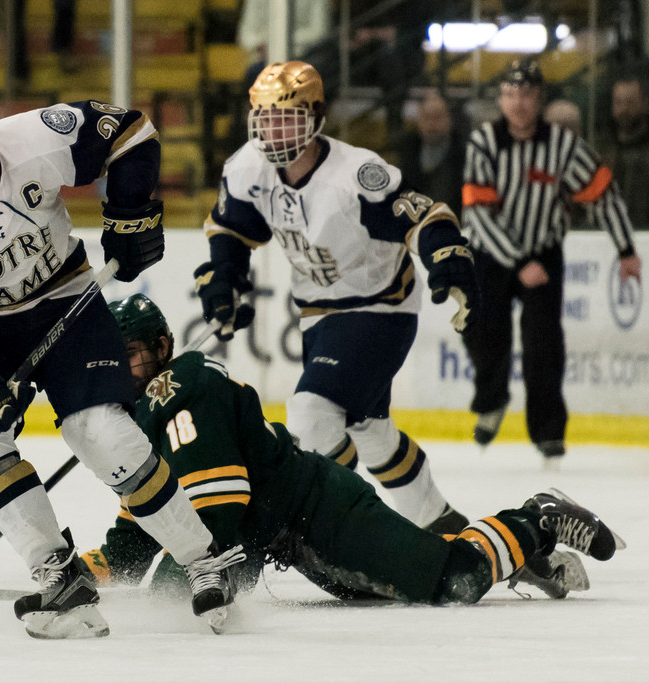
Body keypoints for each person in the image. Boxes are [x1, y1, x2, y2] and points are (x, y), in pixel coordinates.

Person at [0, 86, 244, 639]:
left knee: (104, 435)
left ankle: (206, 559)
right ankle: (59, 575)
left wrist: (130, 216)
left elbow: (132, 133)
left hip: (65, 300)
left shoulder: (36, 139)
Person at [81, 292, 622, 607]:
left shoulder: (181, 389)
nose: (121, 368)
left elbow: (218, 509)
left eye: (130, 354)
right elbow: (148, 520)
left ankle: (538, 518)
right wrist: (93, 570)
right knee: (413, 591)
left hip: (321, 512)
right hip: (290, 536)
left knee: (454, 581)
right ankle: (532, 550)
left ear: (162, 348)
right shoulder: (142, 418)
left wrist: (171, 595)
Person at [193, 61, 475, 534]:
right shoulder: (246, 168)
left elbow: (425, 216)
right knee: (368, 429)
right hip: (318, 315)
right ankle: (441, 524)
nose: (272, 129)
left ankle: (351, 528)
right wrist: (225, 278)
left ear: (316, 116)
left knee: (311, 414)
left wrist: (448, 257)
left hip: (379, 307)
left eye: (286, 116)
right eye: (264, 117)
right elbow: (231, 230)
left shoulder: (357, 175)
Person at [461, 60, 642, 461]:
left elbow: (602, 195)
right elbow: (477, 215)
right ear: (501, 100)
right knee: (482, 331)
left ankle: (547, 432)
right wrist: (518, 262)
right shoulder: (483, 143)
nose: (518, 103)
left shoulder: (563, 146)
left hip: (543, 252)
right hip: (492, 253)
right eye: (510, 94)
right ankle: (491, 401)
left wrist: (626, 250)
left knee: (543, 346)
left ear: (540, 99)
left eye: (526, 94)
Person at [398, 91, 467, 218]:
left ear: (449, 120)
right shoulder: (408, 149)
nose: (431, 124)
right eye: (426, 117)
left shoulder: (462, 154)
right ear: (419, 121)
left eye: (437, 117)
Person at [602, 74, 649, 228]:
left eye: (630, 103)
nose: (623, 109)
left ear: (644, 104)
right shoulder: (603, 147)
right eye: (619, 103)